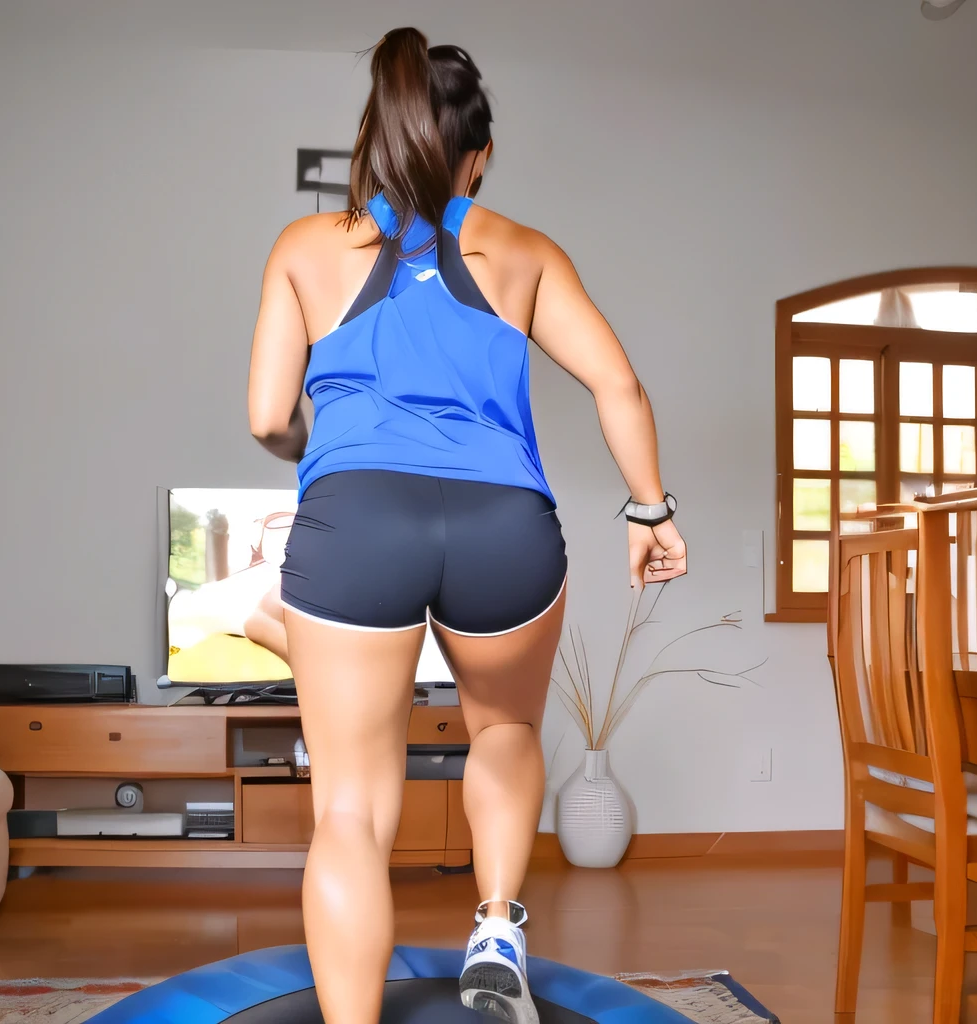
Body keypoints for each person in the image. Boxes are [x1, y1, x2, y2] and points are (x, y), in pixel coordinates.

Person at [246, 27, 686, 1024]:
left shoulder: (307, 247)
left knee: (351, 806)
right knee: (507, 728)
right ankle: (496, 922)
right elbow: (619, 383)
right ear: (476, 157)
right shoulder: (524, 250)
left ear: (374, 135)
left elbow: (270, 416)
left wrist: (325, 456)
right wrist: (650, 509)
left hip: (360, 524)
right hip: (504, 529)